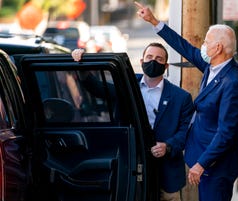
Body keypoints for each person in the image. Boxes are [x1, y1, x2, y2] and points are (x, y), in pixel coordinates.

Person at [135, 2, 238, 201]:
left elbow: (226, 132)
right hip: (204, 158)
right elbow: (184, 47)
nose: (202, 45)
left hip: (216, 165)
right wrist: (154, 21)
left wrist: (202, 163)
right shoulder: (213, 67)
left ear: (218, 47)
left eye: (206, 41)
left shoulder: (232, 81)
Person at [72, 43, 195, 201]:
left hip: (167, 172)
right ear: (142, 61)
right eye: (149, 57)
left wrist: (168, 146)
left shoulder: (181, 97)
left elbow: (186, 132)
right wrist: (82, 64)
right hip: (132, 165)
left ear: (166, 66)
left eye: (159, 59)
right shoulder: (127, 84)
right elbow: (98, 89)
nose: (153, 62)